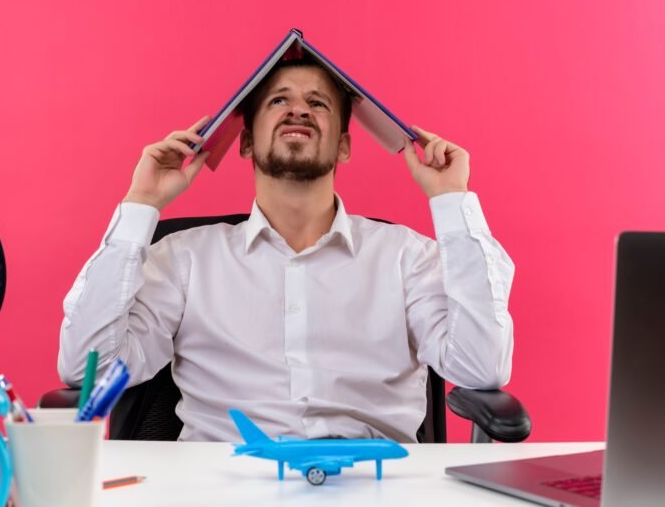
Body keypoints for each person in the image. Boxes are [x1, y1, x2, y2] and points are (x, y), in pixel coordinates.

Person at [58, 57, 515, 442]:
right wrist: (142, 204)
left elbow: (481, 367)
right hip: (218, 488)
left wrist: (450, 200)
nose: (299, 110)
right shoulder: (184, 258)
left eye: (317, 103)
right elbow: (86, 372)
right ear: (246, 142)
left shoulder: (407, 258)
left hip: (373, 483)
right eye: (279, 100)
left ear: (344, 146)